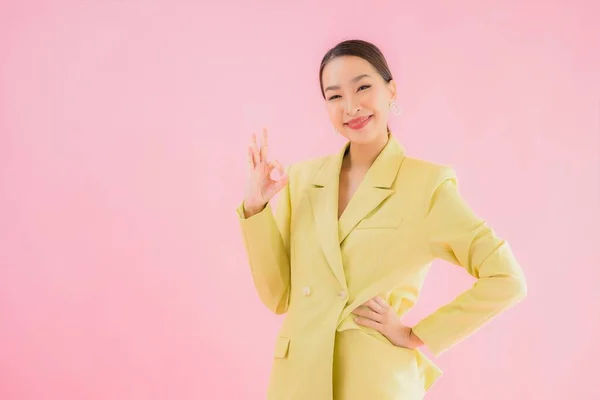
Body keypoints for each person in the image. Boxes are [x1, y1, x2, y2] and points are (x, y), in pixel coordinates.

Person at [236, 39, 527, 400]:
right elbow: (279, 297)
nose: (351, 105)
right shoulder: (302, 179)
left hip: (373, 382)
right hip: (297, 382)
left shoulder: (427, 185)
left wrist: (415, 333)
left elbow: (506, 278)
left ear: (391, 90)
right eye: (335, 95)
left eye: (363, 87)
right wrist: (255, 208)